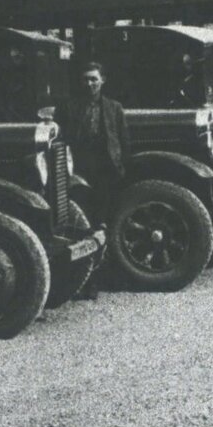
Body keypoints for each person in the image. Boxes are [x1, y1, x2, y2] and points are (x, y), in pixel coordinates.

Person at [61, 62, 127, 300]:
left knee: (103, 224)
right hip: (79, 172)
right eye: (86, 79)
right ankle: (84, 280)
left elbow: (123, 141)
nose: (90, 84)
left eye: (94, 79)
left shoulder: (114, 108)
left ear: (102, 81)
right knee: (83, 225)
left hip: (105, 173)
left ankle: (101, 279)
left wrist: (120, 168)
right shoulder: (70, 107)